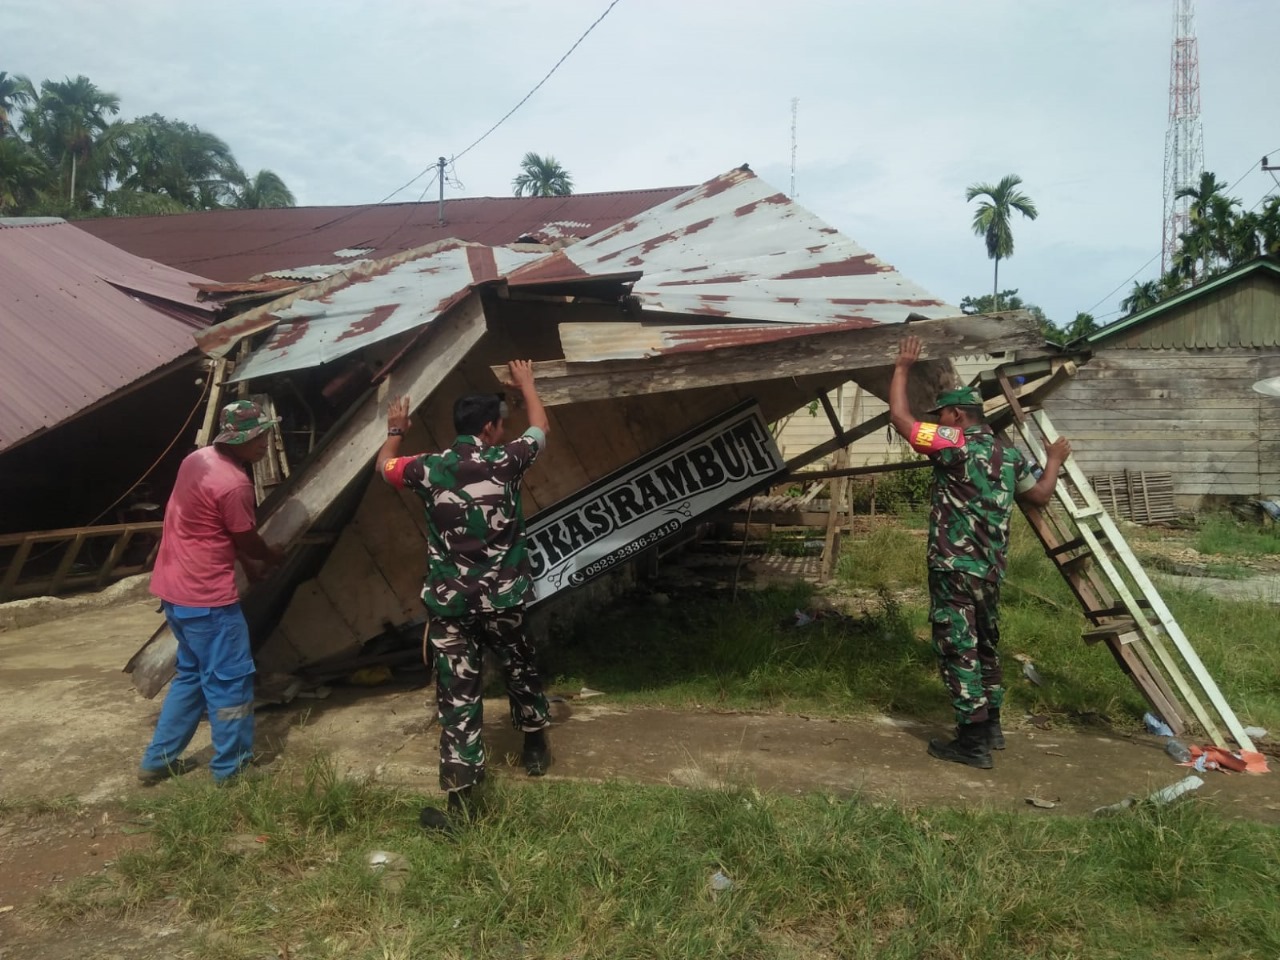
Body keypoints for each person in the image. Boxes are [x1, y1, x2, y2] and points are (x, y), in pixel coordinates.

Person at [376, 360, 553, 830]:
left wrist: (396, 429)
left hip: (452, 606)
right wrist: (528, 385)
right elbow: (540, 427)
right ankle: (535, 743)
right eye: (501, 423)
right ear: (491, 427)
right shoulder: (506, 460)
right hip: (503, 600)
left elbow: (384, 466)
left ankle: (461, 803)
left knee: (457, 697)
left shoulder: (429, 468)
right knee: (520, 668)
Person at [889, 335, 1070, 769]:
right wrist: (1054, 461)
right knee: (987, 645)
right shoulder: (1008, 455)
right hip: (990, 570)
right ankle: (992, 729)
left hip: (953, 566)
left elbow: (900, 418)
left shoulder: (953, 442)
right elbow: (1041, 496)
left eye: (944, 414)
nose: (941, 420)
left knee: (958, 646)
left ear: (955, 415)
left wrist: (900, 367)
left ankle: (971, 742)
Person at [139, 400, 286, 784]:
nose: (263, 442)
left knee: (190, 676)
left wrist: (250, 569)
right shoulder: (235, 484)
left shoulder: (197, 461)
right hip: (208, 602)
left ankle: (158, 760)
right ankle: (231, 769)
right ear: (235, 439)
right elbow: (247, 540)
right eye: (255, 437)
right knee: (229, 683)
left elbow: (212, 527)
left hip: (175, 593)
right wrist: (267, 556)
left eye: (264, 433)